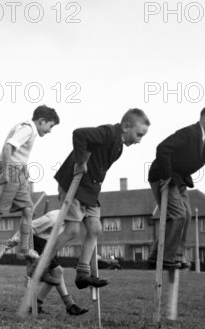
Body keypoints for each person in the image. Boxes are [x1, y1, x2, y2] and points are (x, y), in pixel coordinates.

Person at [50, 108, 151, 289]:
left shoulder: (119, 147)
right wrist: (81, 162)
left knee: (95, 229)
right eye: (138, 134)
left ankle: (82, 273)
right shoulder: (108, 133)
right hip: (74, 184)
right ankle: (43, 260)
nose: (139, 140)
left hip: (90, 189)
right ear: (126, 126)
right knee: (72, 230)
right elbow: (79, 134)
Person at [0, 105, 60, 267]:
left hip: (18, 171)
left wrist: (23, 166)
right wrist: (7, 173)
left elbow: (17, 152)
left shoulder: (30, 130)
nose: (50, 131)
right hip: (9, 171)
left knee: (29, 208)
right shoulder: (27, 128)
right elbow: (7, 148)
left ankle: (25, 247)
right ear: (42, 121)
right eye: (50, 126)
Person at [147, 104, 205, 269]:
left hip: (179, 180)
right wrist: (167, 175)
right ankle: (166, 258)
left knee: (187, 215)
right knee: (177, 214)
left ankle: (160, 255)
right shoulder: (189, 133)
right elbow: (163, 148)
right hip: (164, 176)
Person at [29, 209, 89, 316]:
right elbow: (29, 228)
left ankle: (37, 305)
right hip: (37, 242)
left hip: (50, 244)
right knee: (58, 271)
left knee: (56, 274)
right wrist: (24, 247)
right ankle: (70, 305)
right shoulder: (53, 218)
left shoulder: (71, 224)